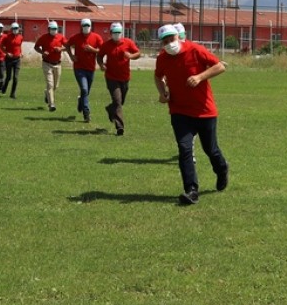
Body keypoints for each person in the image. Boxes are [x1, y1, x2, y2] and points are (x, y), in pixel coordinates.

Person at [154, 23, 228, 206]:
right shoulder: (162, 58)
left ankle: (222, 169)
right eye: (165, 41)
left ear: (178, 36)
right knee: (184, 149)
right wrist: (162, 93)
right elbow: (158, 76)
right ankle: (191, 190)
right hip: (179, 111)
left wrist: (200, 77)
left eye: (171, 39)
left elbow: (220, 66)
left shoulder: (195, 50)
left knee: (210, 149)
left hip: (204, 111)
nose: (169, 43)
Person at [97, 22, 141, 135]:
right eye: (114, 32)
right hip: (111, 77)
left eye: (118, 32)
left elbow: (138, 53)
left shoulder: (128, 42)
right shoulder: (106, 45)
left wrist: (131, 56)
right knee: (117, 101)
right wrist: (101, 65)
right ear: (111, 33)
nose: (117, 34)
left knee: (121, 102)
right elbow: (99, 56)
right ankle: (120, 127)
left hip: (125, 77)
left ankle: (110, 109)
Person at [65, 17, 104, 123]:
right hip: (79, 68)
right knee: (84, 89)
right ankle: (86, 113)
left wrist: (93, 49)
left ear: (91, 26)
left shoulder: (96, 37)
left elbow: (102, 50)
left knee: (86, 91)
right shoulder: (76, 37)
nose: (86, 27)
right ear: (81, 27)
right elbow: (67, 45)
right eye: (84, 25)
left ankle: (81, 101)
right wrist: (71, 56)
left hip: (91, 68)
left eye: (88, 25)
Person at [33, 21, 66, 111]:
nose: (54, 30)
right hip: (47, 63)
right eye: (52, 29)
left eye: (55, 29)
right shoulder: (43, 37)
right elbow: (36, 47)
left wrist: (60, 49)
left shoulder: (61, 37)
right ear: (48, 29)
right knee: (50, 84)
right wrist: (42, 52)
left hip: (57, 64)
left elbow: (67, 47)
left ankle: (46, 93)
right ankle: (51, 104)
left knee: (55, 86)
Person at [0, 21, 24, 98]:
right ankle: (4, 88)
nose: (15, 30)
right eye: (14, 28)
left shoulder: (20, 37)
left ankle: (13, 93)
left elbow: (19, 46)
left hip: (17, 59)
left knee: (15, 77)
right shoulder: (7, 37)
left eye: (17, 28)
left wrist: (21, 53)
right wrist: (6, 53)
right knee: (9, 77)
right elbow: (1, 46)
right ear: (11, 29)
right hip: (9, 59)